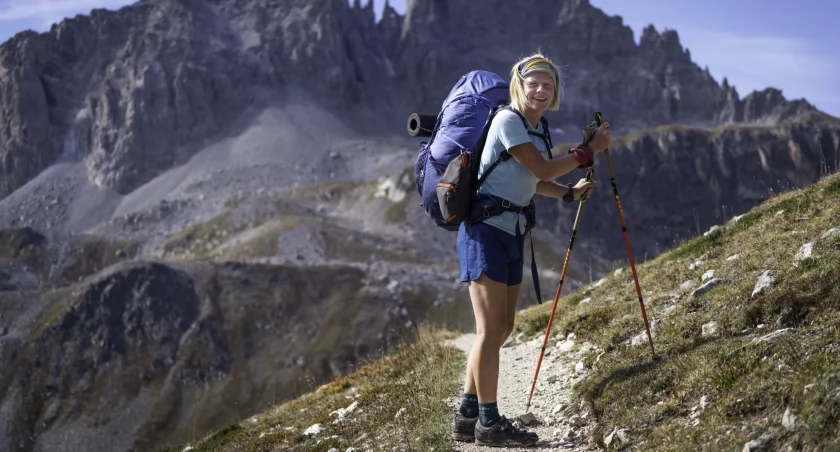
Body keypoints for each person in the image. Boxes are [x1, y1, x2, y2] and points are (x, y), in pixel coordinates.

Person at [451, 53, 611, 447]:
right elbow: (539, 168)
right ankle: (489, 423)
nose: (540, 90)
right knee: (490, 331)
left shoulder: (539, 129)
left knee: (502, 328)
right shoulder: (508, 120)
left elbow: (533, 180)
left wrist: (568, 194)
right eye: (533, 83)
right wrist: (588, 151)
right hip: (484, 231)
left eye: (547, 84)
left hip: (512, 231)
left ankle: (467, 414)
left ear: (555, 92)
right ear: (518, 85)